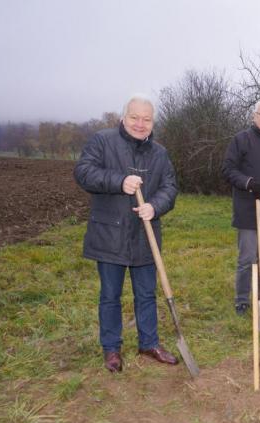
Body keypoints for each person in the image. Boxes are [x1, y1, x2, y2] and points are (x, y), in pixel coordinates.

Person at [74, 94, 180, 373]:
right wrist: (118, 181)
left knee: (146, 294)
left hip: (145, 236)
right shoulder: (102, 141)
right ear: (124, 117)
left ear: (153, 122)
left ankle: (149, 343)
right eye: (135, 117)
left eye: (146, 119)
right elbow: (84, 172)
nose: (140, 124)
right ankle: (111, 348)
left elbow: (170, 188)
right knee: (110, 294)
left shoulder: (160, 153)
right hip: (110, 235)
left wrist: (154, 207)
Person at [221, 98, 260, 316]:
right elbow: (228, 169)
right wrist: (248, 182)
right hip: (248, 210)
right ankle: (242, 300)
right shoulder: (241, 140)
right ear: (254, 115)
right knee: (247, 258)